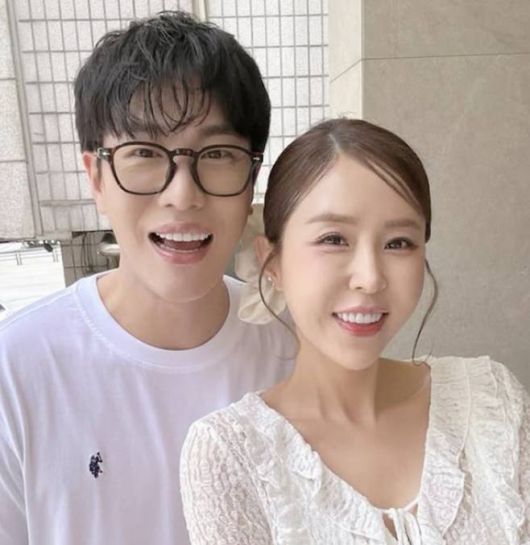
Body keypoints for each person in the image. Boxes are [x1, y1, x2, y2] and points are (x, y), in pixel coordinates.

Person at [0, 11, 294, 545]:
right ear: (96, 177)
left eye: (217, 154)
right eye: (143, 153)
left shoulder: (294, 350)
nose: (182, 194)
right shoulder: (15, 370)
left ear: (252, 177)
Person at [180, 118, 530, 544]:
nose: (370, 278)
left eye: (399, 243)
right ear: (272, 262)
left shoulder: (491, 401)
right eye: (334, 239)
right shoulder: (232, 456)